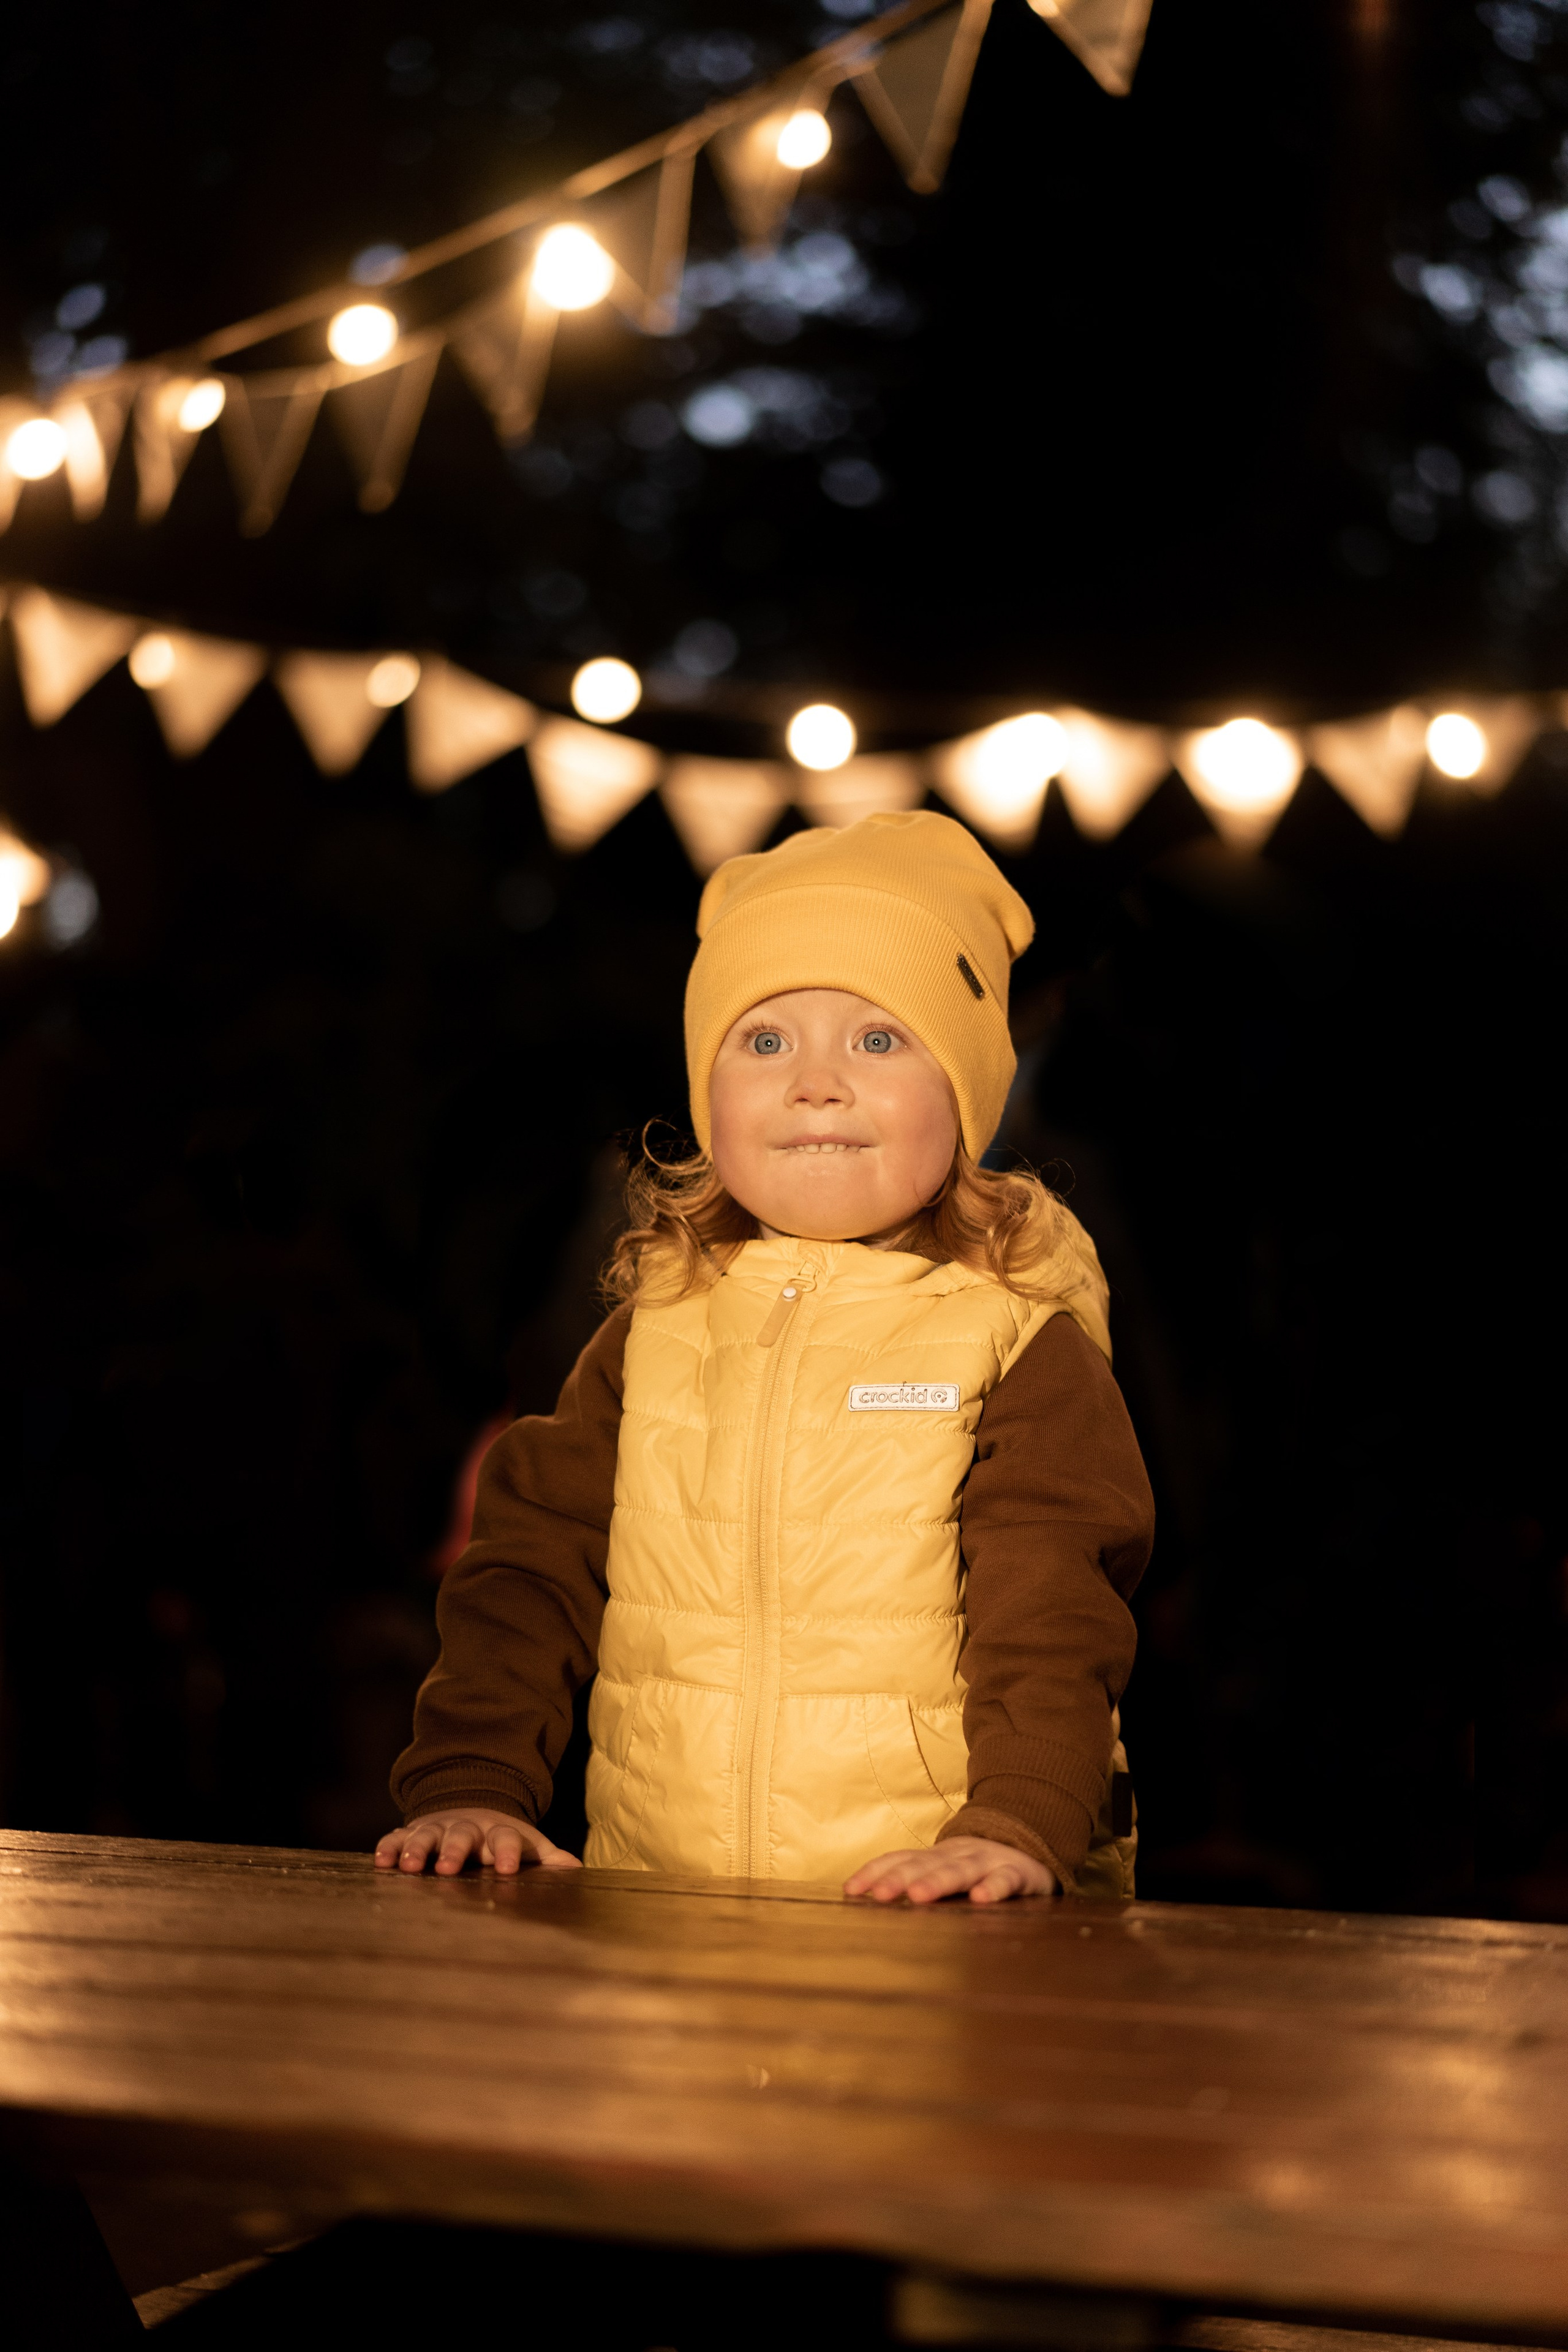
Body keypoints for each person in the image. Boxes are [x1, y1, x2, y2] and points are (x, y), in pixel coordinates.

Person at [379, 812, 1153, 1904]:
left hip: (949, 1924)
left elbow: (1056, 1619)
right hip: (666, 1920)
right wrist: (473, 1782)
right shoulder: (654, 1330)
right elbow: (530, 1565)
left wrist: (1019, 1826)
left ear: (967, 1093)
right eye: (765, 1039)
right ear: (709, 1097)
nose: (816, 1082)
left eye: (879, 1040)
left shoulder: (1017, 1339)